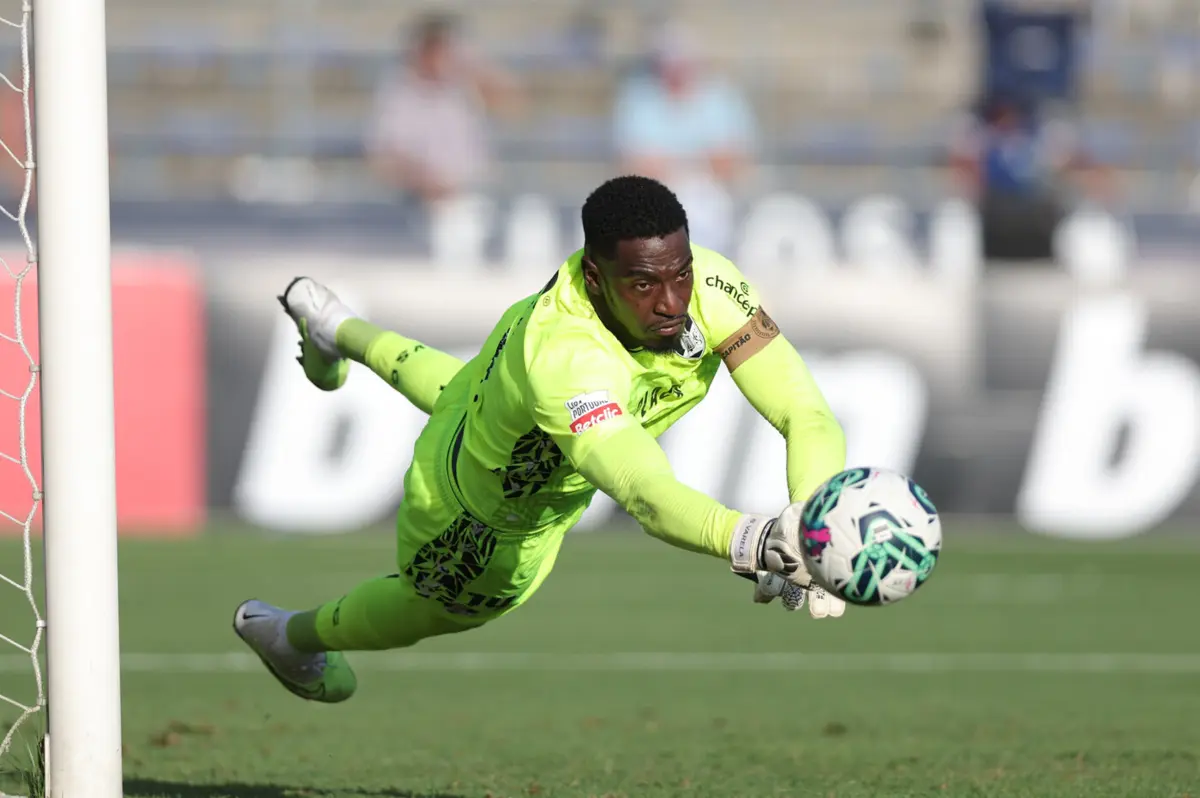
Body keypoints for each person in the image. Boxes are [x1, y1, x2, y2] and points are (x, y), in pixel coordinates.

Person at [233, 176, 847, 703]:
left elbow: (805, 411)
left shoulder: (713, 285)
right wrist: (753, 540)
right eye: (641, 285)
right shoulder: (569, 360)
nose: (671, 303)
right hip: (480, 509)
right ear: (595, 278)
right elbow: (642, 490)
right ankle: (289, 637)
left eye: (679, 274)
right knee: (445, 607)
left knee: (456, 388)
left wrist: (809, 522)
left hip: (488, 392)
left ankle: (337, 327)